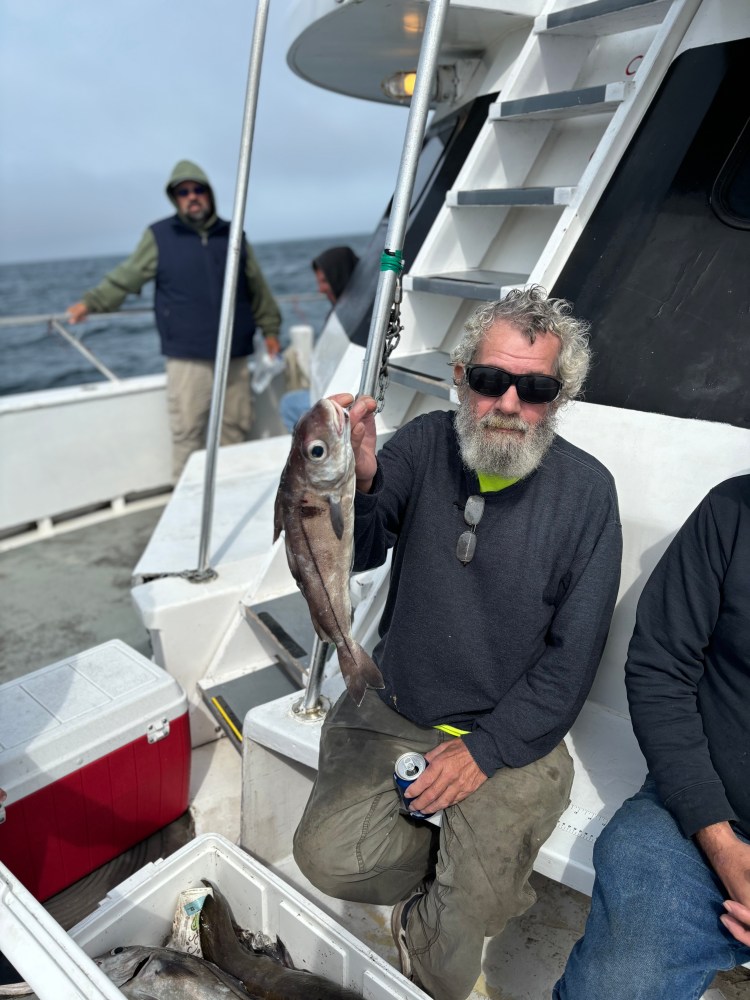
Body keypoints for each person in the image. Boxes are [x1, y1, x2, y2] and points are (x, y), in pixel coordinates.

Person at [292, 286, 623, 1000]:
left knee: (467, 926)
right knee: (325, 859)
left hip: (509, 731)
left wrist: (484, 753)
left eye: (533, 388)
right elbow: (362, 548)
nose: (507, 403)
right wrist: (362, 481)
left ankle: (446, 899)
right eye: (488, 379)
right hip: (397, 703)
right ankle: (455, 852)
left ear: (560, 397)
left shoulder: (589, 495)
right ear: (459, 377)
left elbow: (572, 660)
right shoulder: (421, 444)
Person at [553, 476, 750, 999]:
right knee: (615, 986)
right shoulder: (733, 508)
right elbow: (660, 667)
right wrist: (723, 845)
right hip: (697, 820)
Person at [66, 160, 282, 479]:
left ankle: (229, 492)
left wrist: (271, 330)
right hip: (187, 357)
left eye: (197, 190)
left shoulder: (233, 234)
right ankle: (188, 505)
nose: (191, 197)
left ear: (209, 194)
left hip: (235, 355)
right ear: (175, 198)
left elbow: (257, 288)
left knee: (235, 429)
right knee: (187, 433)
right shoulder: (159, 236)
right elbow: (127, 276)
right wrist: (91, 303)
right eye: (183, 192)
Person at [279, 245, 359, 432]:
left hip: (343, 399)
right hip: (332, 391)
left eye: (325, 281)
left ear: (338, 276)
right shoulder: (346, 310)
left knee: (289, 404)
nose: (320, 289)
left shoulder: (348, 318)